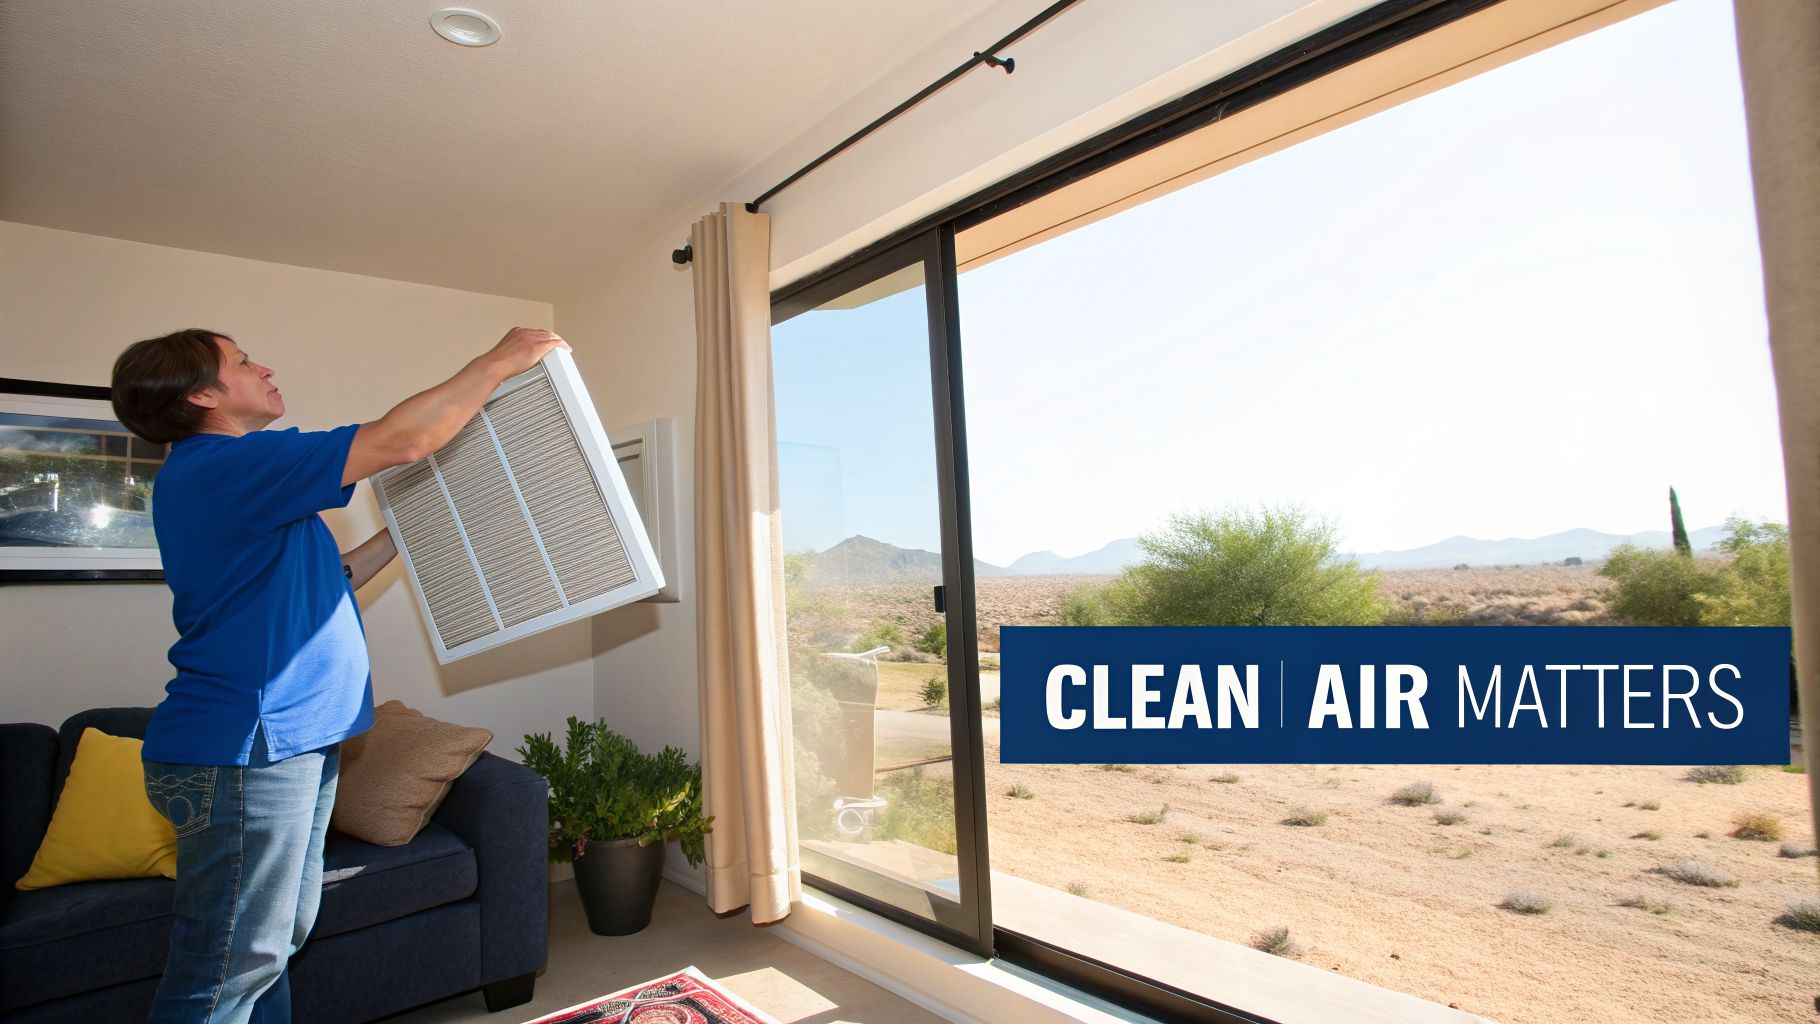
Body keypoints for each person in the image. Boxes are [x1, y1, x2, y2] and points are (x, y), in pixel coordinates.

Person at [109, 325, 569, 1024]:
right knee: (228, 967)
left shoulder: (232, 486)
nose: (264, 366)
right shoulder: (221, 465)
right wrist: (502, 360)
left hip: (289, 747)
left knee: (271, 949)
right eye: (241, 361)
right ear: (202, 393)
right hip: (250, 752)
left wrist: (414, 533)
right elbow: (402, 440)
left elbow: (337, 577)